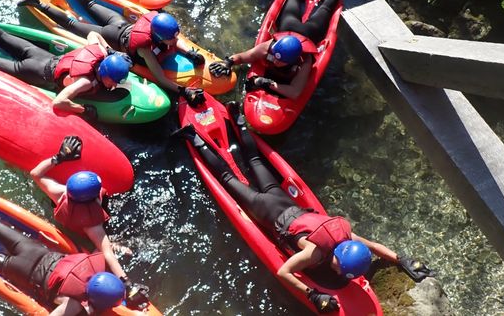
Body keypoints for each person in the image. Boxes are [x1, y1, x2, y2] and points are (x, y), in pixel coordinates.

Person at [175, 104, 433, 314]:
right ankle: (194, 137)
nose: (336, 272)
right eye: (339, 269)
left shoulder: (345, 235)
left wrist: (402, 260)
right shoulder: (314, 252)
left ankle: (237, 119)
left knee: (254, 160)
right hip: (263, 209)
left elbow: (373, 246)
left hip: (283, 200)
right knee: (228, 179)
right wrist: (312, 293)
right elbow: (283, 271)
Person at [0, 175, 150, 313]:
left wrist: (125, 275)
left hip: (32, 250)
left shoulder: (94, 265)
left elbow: (105, 251)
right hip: (20, 269)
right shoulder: (75, 305)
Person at [0, 0, 132, 118]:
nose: (115, 84)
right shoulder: (85, 82)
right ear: (104, 73)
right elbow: (59, 102)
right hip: (32, 70)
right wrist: (83, 110)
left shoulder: (99, 52)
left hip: (43, 56)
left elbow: (94, 35)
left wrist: (109, 52)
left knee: (1, 37)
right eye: (115, 80)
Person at [19, 0, 206, 106]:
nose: (174, 41)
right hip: (110, 35)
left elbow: (174, 40)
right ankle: (39, 3)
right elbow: (159, 76)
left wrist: (190, 53)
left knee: (91, 4)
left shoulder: (160, 27)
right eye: (169, 39)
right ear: (158, 36)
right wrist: (183, 91)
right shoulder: (144, 49)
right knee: (72, 25)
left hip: (119, 23)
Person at [209, 0, 355, 99]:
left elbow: (294, 92)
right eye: (276, 56)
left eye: (281, 61)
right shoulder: (269, 47)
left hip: (310, 32)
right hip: (289, 26)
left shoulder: (304, 61)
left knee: (326, 8)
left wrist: (268, 84)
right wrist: (228, 63)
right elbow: (243, 56)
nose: (275, 61)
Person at [29, 136, 135, 285]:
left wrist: (59, 157)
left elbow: (35, 173)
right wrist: (127, 283)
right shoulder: (93, 225)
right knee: (113, 248)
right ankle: (118, 245)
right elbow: (107, 253)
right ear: (93, 198)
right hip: (87, 236)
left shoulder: (59, 193)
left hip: (69, 221)